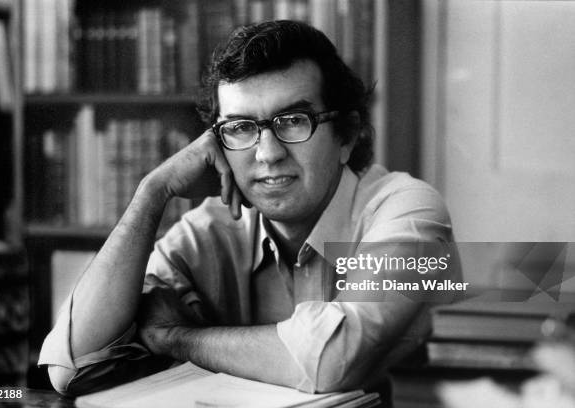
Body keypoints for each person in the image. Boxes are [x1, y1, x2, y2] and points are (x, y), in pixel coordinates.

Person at [39, 20, 459, 396]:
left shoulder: (408, 211)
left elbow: (331, 360)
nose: (267, 153)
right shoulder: (210, 230)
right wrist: (153, 191)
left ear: (346, 136)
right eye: (240, 128)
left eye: (294, 120)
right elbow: (70, 367)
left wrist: (176, 339)